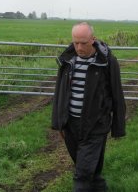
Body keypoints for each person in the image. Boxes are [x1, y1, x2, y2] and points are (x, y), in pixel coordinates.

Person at [52, 22, 126, 192]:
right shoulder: (66, 61)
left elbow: (117, 95)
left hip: (95, 125)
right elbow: (59, 93)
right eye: (75, 42)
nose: (79, 47)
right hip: (71, 125)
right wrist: (59, 122)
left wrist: (118, 128)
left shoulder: (107, 62)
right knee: (88, 169)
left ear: (93, 39)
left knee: (83, 174)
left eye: (83, 43)